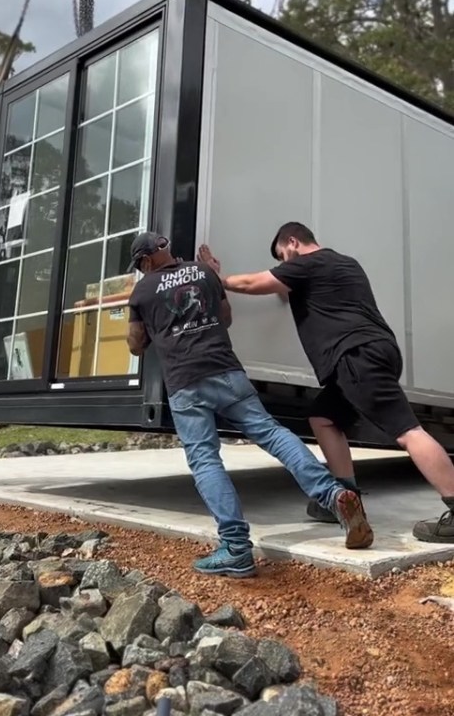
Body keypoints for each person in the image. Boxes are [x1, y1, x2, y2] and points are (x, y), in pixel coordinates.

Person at [126, 231, 373, 578]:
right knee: (272, 433)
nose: (140, 270)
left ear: (147, 260)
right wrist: (212, 278)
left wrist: (143, 320)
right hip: (227, 371)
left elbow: (136, 346)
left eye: (139, 264)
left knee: (204, 458)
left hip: (186, 382)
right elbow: (225, 317)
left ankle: (236, 548)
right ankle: (333, 494)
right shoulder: (203, 271)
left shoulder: (142, 290)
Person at [198, 222, 454, 545]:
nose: (283, 264)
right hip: (374, 352)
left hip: (355, 356)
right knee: (323, 417)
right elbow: (287, 288)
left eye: (282, 256)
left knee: (407, 431)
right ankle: (346, 498)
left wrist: (214, 278)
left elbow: (253, 283)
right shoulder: (345, 264)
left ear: (293, 242)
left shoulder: (308, 265)